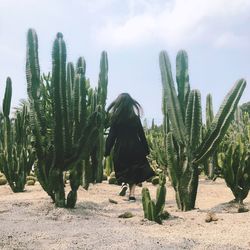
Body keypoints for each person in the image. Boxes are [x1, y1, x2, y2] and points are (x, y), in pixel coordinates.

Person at [104, 93, 155, 201]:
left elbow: (111, 136)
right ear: (131, 104)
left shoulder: (115, 119)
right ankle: (132, 195)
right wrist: (146, 150)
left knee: (122, 168)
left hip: (121, 148)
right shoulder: (135, 118)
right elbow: (141, 135)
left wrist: (107, 150)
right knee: (134, 171)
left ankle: (123, 184)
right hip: (135, 147)